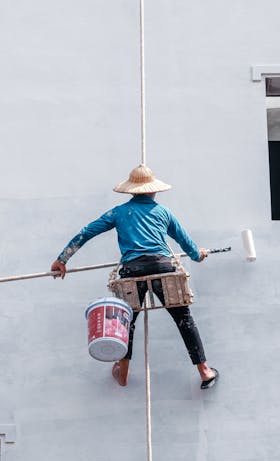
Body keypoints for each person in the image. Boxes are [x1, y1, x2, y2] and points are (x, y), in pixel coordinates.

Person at [51, 163, 219, 389]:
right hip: (162, 268)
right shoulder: (163, 213)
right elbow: (187, 245)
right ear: (154, 189)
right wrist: (198, 255)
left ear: (131, 191)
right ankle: (204, 370)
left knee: (125, 320)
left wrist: (62, 259)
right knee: (184, 319)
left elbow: (87, 232)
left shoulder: (119, 213)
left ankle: (123, 371)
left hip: (133, 271)